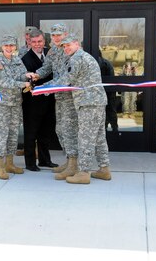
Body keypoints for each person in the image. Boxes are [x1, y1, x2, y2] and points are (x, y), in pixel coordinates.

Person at [41, 34, 112, 184]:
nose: (66, 48)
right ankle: (104, 169)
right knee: (99, 137)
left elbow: (66, 80)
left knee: (85, 138)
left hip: (88, 103)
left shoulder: (77, 58)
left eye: (68, 45)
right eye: (64, 46)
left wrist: (44, 88)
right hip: (95, 102)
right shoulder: (84, 57)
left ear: (76, 44)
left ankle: (83, 173)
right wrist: (46, 86)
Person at [32, 23, 79, 180]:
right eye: (54, 35)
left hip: (71, 98)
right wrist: (36, 75)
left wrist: (45, 87)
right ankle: (69, 160)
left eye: (59, 34)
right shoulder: (52, 51)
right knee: (60, 129)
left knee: (69, 130)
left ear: (65, 34)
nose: (57, 37)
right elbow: (47, 68)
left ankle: (74, 164)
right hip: (59, 97)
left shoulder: (71, 50)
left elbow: (66, 77)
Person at [0, 35, 31, 179]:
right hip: (0, 105)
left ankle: (10, 163)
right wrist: (23, 84)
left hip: (14, 103)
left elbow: (21, 75)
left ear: (15, 47)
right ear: (2, 47)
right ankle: (0, 167)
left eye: (12, 45)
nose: (9, 48)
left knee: (13, 134)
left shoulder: (17, 60)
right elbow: (3, 81)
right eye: (6, 45)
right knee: (1, 135)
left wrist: (28, 75)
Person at [21, 29, 58, 171]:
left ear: (44, 41)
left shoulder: (50, 54)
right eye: (34, 42)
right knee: (31, 133)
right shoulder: (25, 59)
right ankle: (30, 163)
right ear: (29, 42)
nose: (37, 44)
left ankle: (44, 160)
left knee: (45, 132)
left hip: (49, 101)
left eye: (40, 41)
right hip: (32, 103)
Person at [98, 50, 118, 132]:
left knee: (106, 110)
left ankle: (109, 127)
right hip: (109, 91)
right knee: (111, 110)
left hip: (105, 91)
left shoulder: (101, 62)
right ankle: (114, 128)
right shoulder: (106, 62)